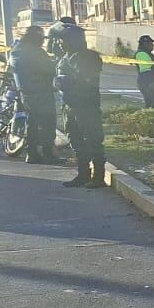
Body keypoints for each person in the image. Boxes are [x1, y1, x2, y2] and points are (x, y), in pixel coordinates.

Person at [55, 21, 106, 188]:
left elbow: (87, 81)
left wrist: (66, 82)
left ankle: (98, 177)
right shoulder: (65, 58)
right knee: (76, 141)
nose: (59, 44)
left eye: (62, 40)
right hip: (70, 105)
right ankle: (83, 174)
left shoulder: (88, 57)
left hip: (86, 106)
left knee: (93, 141)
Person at [8, 26, 59, 164]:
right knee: (47, 124)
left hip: (26, 92)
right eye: (42, 38)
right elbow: (50, 70)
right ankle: (48, 154)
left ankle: (32, 154)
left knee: (32, 123)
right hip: (42, 91)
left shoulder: (16, 51)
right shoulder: (37, 53)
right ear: (37, 38)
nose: (43, 41)